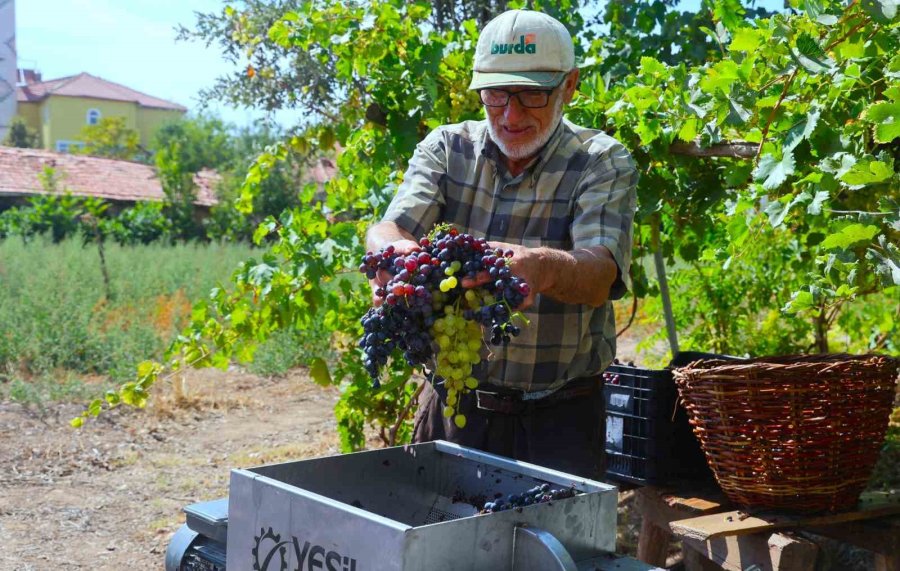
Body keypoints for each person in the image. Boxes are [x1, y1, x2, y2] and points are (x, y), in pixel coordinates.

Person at [365, 9, 638, 480]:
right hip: (453, 408)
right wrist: (395, 257)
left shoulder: (601, 162)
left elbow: (600, 274)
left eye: (532, 94)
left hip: (561, 423)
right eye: (495, 94)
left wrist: (542, 268)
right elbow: (389, 229)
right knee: (440, 550)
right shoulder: (447, 148)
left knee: (549, 552)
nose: (511, 115)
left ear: (569, 86)